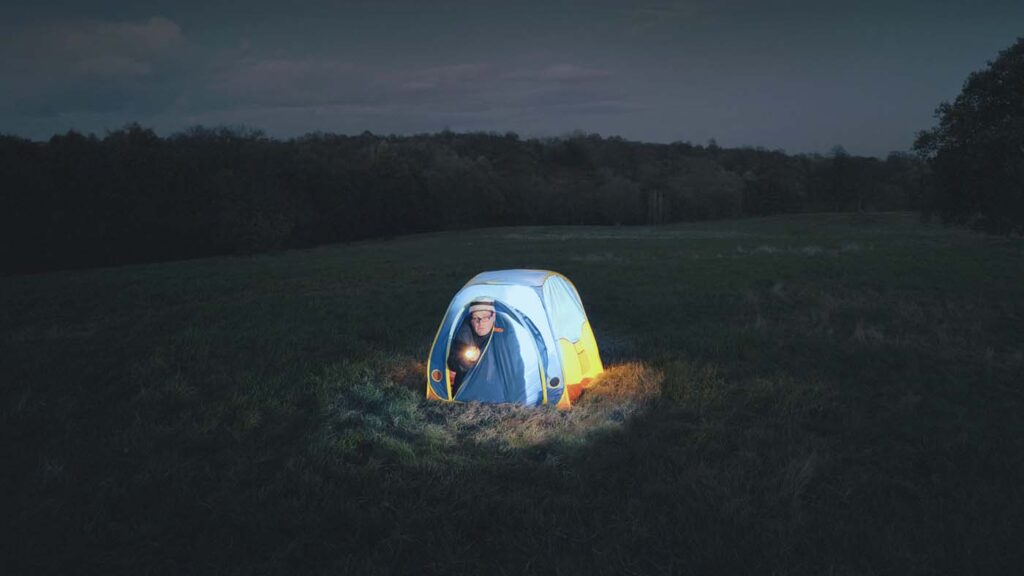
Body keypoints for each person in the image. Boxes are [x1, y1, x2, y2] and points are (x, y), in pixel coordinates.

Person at [447, 298, 496, 396]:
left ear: (493, 316)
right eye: (475, 318)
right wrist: (468, 360)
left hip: (494, 387)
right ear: (470, 319)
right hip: (467, 390)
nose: (480, 323)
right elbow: (452, 363)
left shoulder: (504, 333)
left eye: (485, 317)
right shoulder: (464, 333)